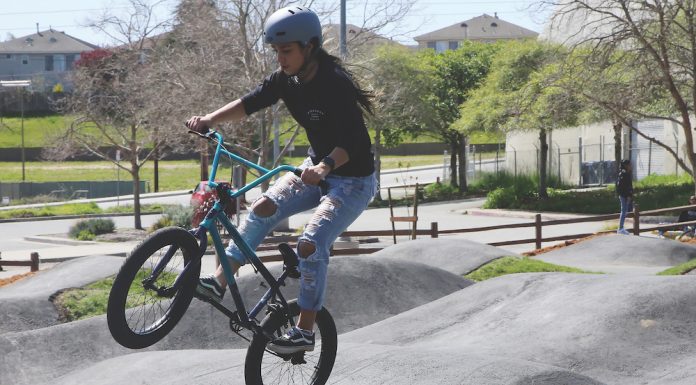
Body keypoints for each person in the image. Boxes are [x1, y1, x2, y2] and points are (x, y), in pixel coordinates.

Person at [185, 6, 377, 355]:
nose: (280, 58)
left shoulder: (335, 83)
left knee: (310, 243)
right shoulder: (284, 80)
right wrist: (210, 119)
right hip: (314, 168)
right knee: (263, 206)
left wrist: (325, 167)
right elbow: (251, 102)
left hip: (352, 180)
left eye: (286, 51)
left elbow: (355, 141)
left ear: (311, 47)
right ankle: (219, 281)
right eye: (276, 51)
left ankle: (304, 331)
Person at [616, 159, 633, 235]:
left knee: (624, 211)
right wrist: (628, 195)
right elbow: (625, 186)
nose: (630, 166)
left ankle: (621, 228)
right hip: (624, 196)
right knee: (623, 211)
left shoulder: (624, 173)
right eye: (629, 165)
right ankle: (620, 228)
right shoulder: (624, 174)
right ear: (626, 166)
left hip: (624, 195)